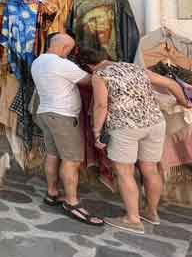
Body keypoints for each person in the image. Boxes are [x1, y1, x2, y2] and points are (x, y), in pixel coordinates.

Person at [79, 47, 190, 234]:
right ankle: (151, 213)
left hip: (125, 127)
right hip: (155, 123)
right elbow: (171, 84)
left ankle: (132, 219)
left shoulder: (100, 75)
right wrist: (183, 101)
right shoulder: (134, 67)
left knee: (124, 172)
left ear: (88, 66)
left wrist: (97, 131)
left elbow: (101, 105)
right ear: (106, 56)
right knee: (150, 169)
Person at [31, 33, 104, 226]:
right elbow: (92, 81)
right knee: (72, 161)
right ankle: (72, 203)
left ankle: (52, 193)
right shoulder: (61, 64)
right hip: (62, 117)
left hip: (45, 113)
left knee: (53, 155)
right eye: (69, 50)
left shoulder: (38, 61)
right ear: (64, 48)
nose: (69, 54)